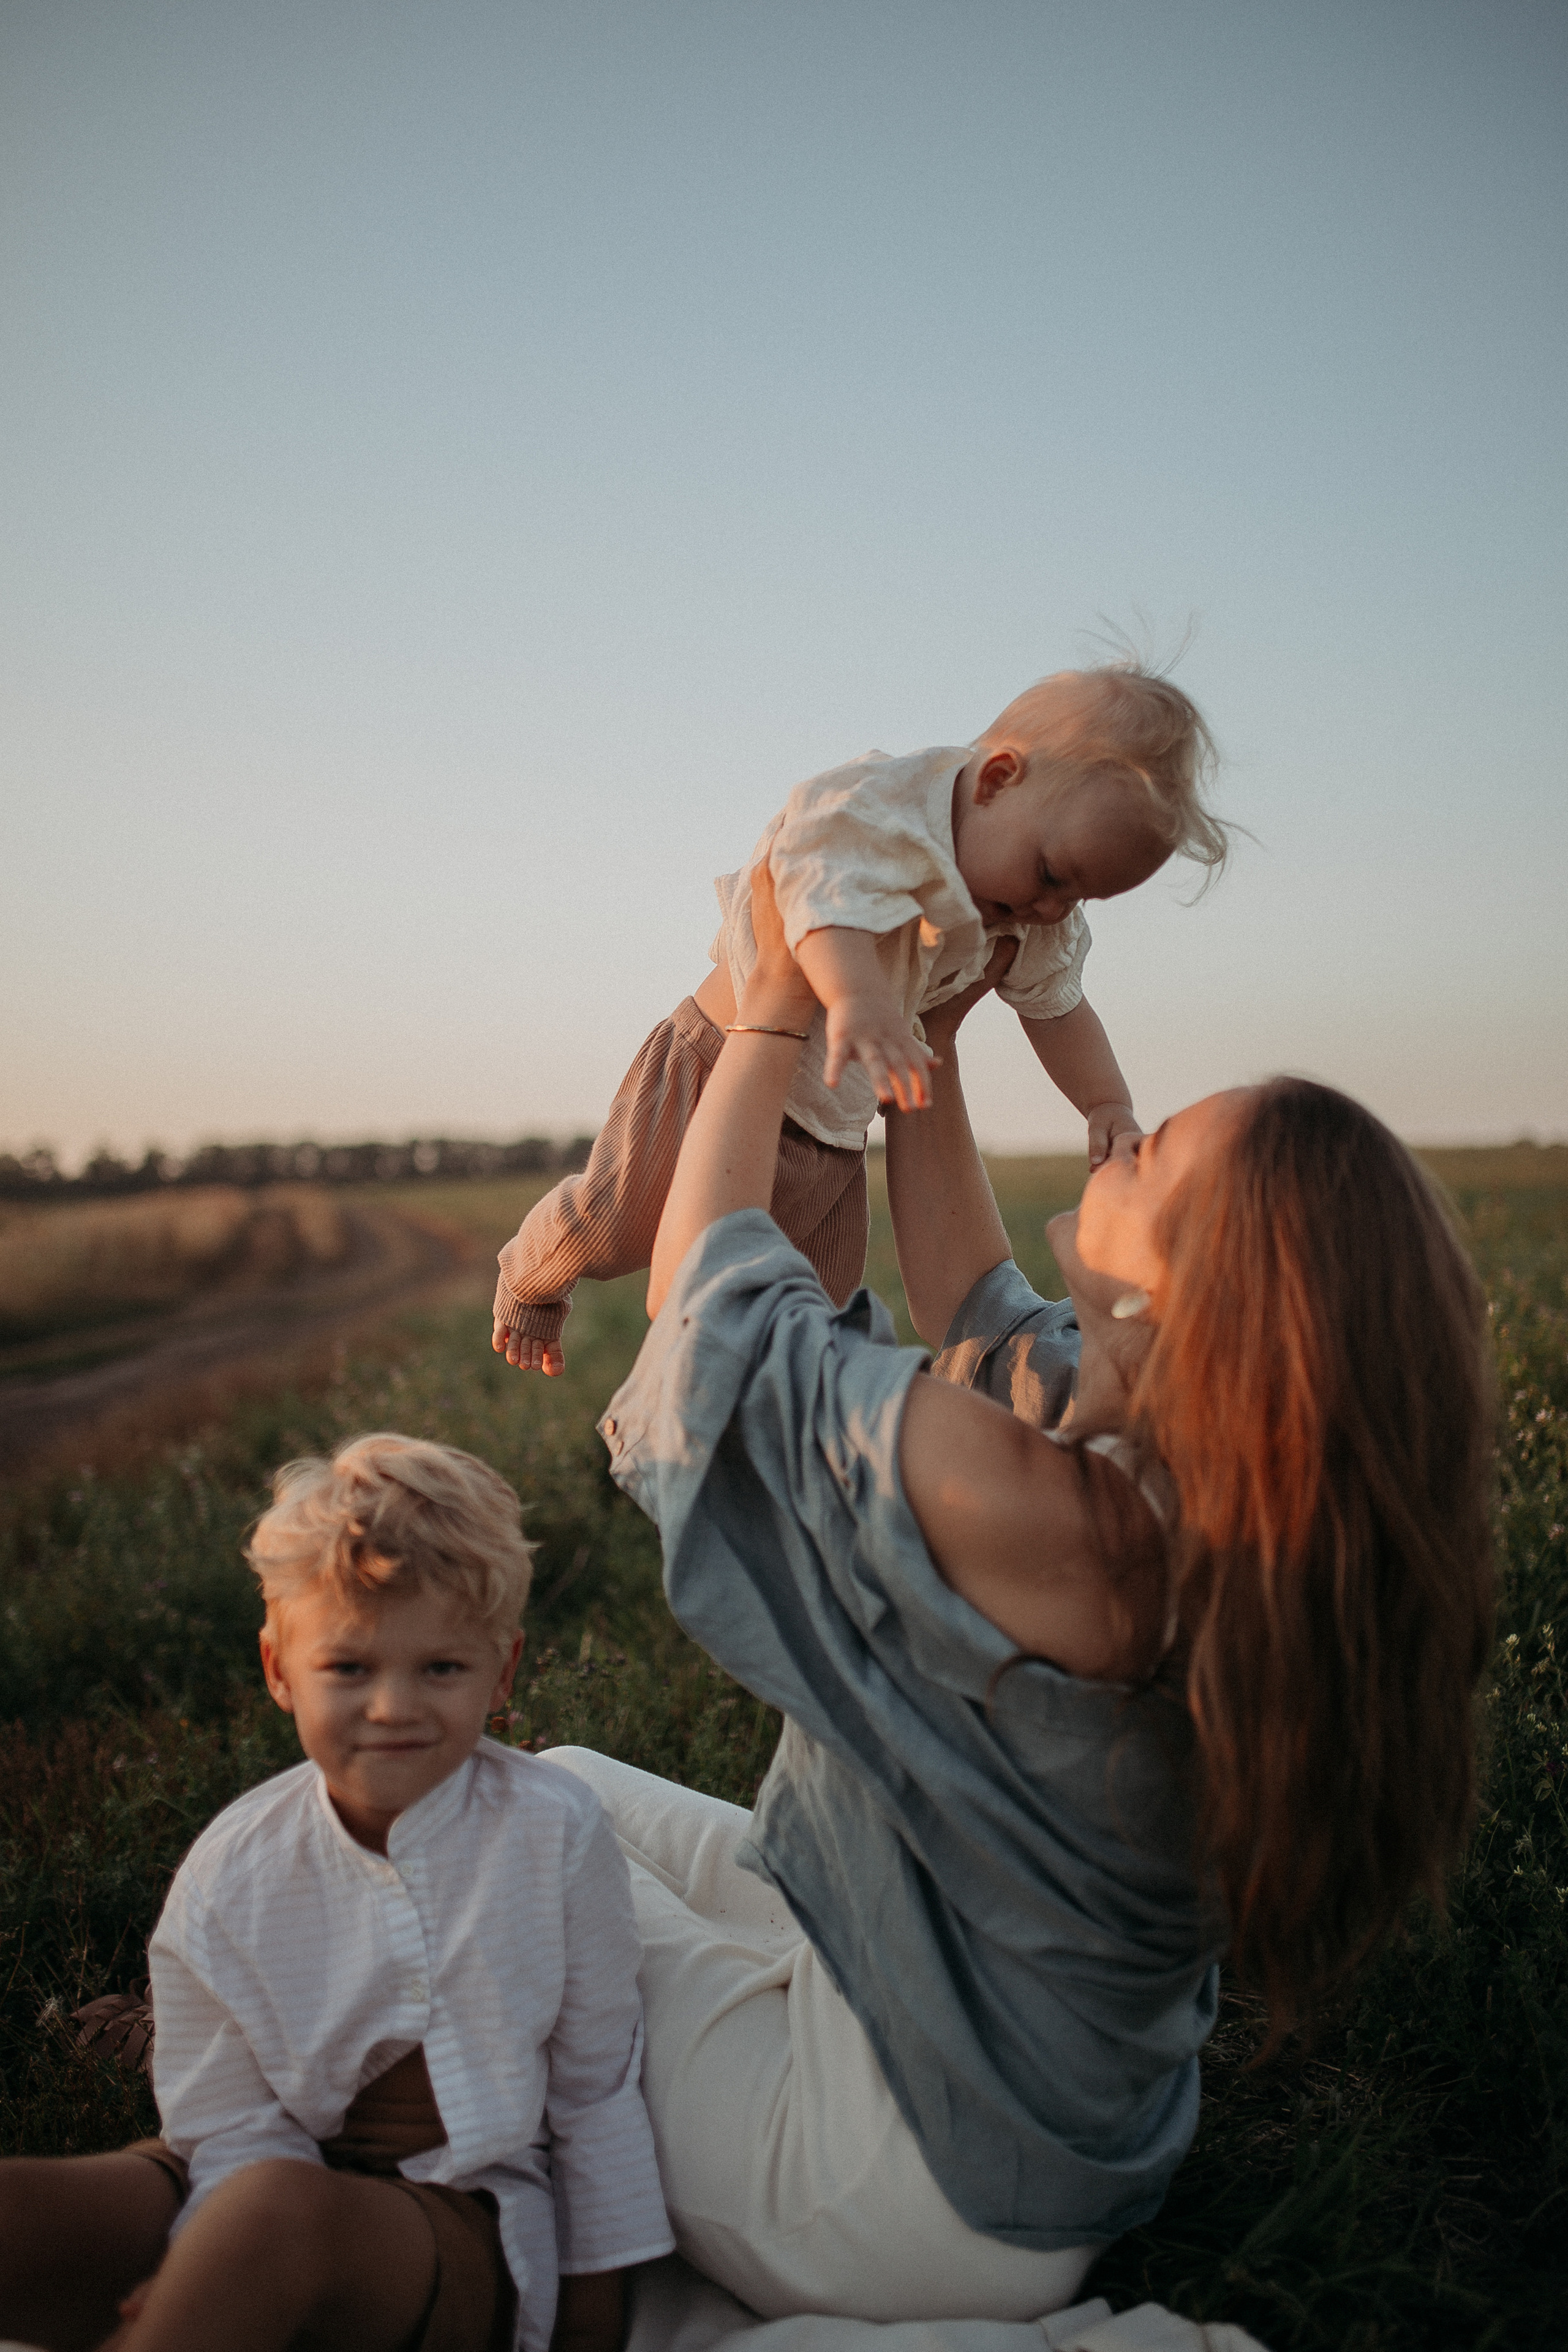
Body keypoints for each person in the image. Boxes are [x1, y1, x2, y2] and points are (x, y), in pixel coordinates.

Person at [545, 863, 1494, 2329]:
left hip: (895, 2179)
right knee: (547, 1794)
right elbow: (972, 1290)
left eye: (1156, 1148)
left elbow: (707, 1310)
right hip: (1019, 2093)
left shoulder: (1035, 1507)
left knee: (479, 1880)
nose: (1125, 1129)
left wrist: (777, 998)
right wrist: (931, 1029)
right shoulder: (1187, 1477)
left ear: (1191, 1286)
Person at [0, 1434, 673, 2352]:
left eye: (440, 1668)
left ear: (501, 1672)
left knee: (278, 2215)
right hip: (237, 2173)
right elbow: (223, 2126)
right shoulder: (232, 1870)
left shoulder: (554, 1833)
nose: (393, 1706)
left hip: (452, 2218)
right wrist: (203, 2256)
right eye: (349, 1669)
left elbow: (597, 2090)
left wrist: (593, 2320)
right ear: (280, 1670)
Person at [493, 662, 1229, 1375]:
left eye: (1079, 899)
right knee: (621, 1224)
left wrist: (1106, 1101)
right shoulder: (881, 806)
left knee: (818, 1308)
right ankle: (530, 1272)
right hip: (719, 1061)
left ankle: (794, 1443)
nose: (1050, 909)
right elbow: (808, 891)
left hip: (836, 1125)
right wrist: (860, 999)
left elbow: (1058, 1005)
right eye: (1050, 876)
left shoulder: (1029, 910)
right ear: (999, 779)